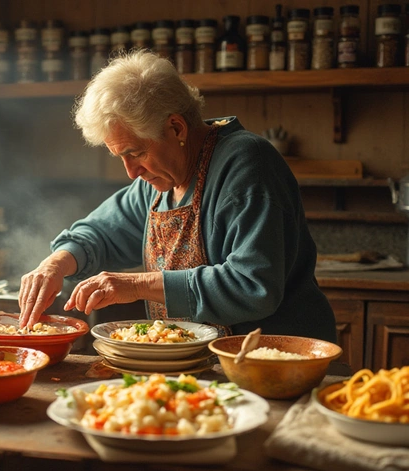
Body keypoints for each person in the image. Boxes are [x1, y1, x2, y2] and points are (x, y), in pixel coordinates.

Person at [18, 50, 337, 342]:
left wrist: (137, 285)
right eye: (121, 157)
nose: (131, 172)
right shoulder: (159, 182)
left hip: (274, 362)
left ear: (176, 128)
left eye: (136, 152)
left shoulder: (247, 165)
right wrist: (55, 264)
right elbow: (100, 233)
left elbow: (253, 287)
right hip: (202, 369)